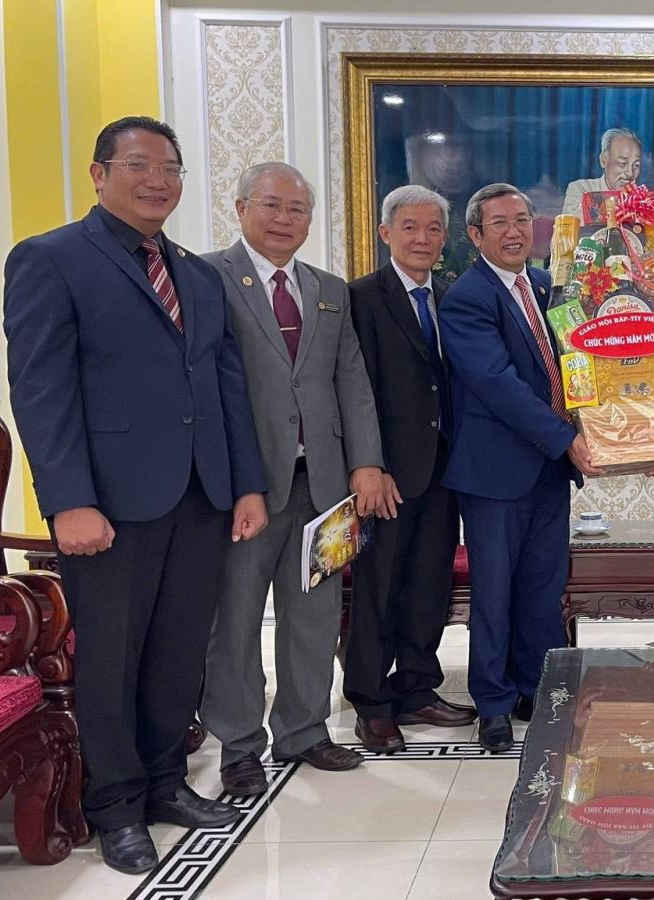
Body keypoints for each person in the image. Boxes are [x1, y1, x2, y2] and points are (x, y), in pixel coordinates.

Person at [3, 116, 269, 874]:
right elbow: (42, 391)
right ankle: (116, 805)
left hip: (201, 494)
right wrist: (68, 500)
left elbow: (225, 387)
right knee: (113, 657)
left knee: (179, 651)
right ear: (99, 174)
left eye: (171, 169)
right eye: (139, 166)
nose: (158, 181)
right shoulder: (51, 259)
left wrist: (246, 484)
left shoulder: (197, 273)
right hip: (110, 502)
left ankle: (163, 782)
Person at [199, 162, 392, 792]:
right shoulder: (207, 279)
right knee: (235, 619)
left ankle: (305, 730)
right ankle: (238, 744)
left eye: (298, 209)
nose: (285, 219)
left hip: (326, 485)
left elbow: (352, 382)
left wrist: (366, 463)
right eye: (272, 205)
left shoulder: (328, 289)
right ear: (241, 208)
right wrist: (235, 482)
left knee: (314, 614)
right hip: (246, 489)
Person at [439, 183, 602, 754]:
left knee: (542, 587)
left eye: (522, 220)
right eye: (500, 223)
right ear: (475, 235)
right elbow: (497, 383)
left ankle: (536, 689)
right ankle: (493, 703)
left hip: (548, 470)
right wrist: (566, 439)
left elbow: (574, 362)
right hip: (495, 474)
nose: (514, 232)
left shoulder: (545, 285)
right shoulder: (467, 297)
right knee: (494, 591)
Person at [344, 185, 476, 754]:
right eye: (410, 227)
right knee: (378, 587)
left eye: (433, 229)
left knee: (429, 583)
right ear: (385, 233)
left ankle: (418, 686)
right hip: (388, 474)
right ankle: (371, 702)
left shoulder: (451, 297)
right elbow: (355, 391)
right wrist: (370, 465)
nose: (422, 238)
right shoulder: (359, 298)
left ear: (445, 238)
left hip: (445, 469)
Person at [561, 127, 642, 219]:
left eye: (636, 165)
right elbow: (567, 225)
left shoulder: (642, 201)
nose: (630, 173)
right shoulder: (581, 189)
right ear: (604, 160)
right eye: (622, 163)